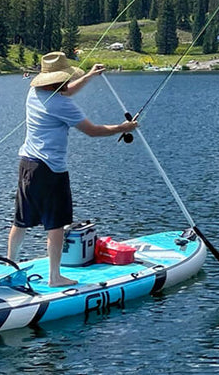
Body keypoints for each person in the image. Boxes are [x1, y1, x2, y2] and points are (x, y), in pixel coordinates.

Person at [7, 51, 137, 287]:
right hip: (50, 169)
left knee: (21, 220)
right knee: (56, 224)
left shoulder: (34, 92)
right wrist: (123, 127)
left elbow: (64, 90)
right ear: (61, 79)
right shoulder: (63, 105)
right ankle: (55, 277)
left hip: (27, 164)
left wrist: (88, 76)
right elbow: (93, 130)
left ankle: (9, 266)